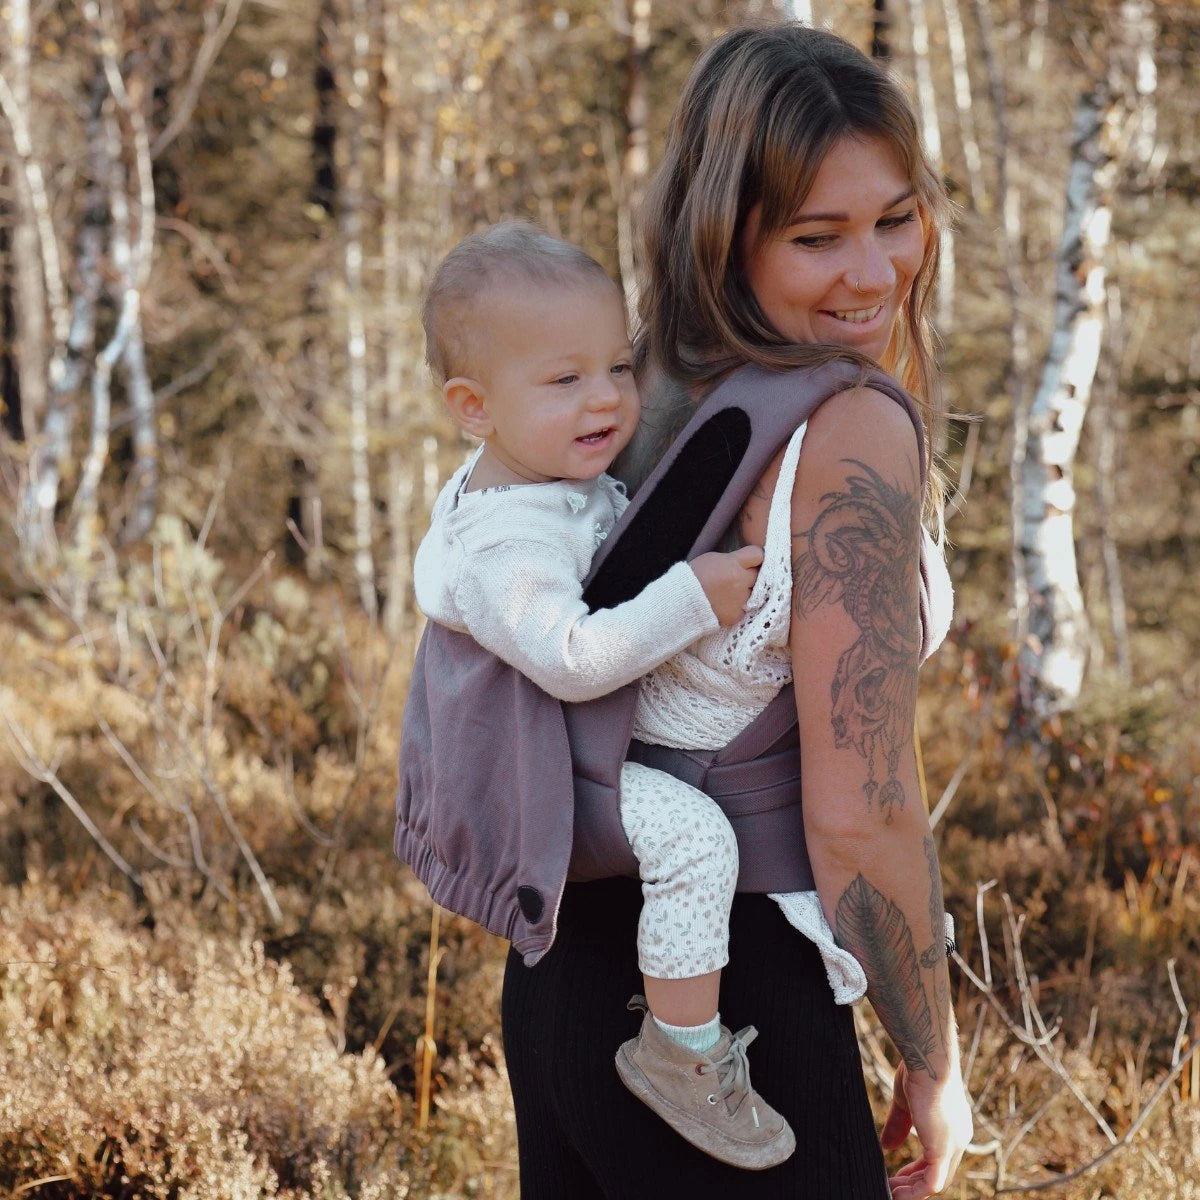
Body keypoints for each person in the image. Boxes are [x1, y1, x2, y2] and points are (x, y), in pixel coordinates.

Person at [501, 21, 974, 1200]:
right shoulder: (847, 425)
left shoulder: (639, 379)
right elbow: (862, 811)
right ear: (728, 231)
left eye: (896, 218)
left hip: (563, 979)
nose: (873, 273)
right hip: (728, 1013)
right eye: (819, 237)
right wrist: (934, 1059)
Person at [412, 220, 799, 1168]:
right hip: (526, 774)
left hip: (561, 746)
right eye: (563, 381)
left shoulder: (543, 471)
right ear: (473, 407)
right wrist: (691, 598)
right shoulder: (509, 548)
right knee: (692, 841)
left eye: (618, 368)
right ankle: (681, 1051)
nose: (606, 399)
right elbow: (573, 659)